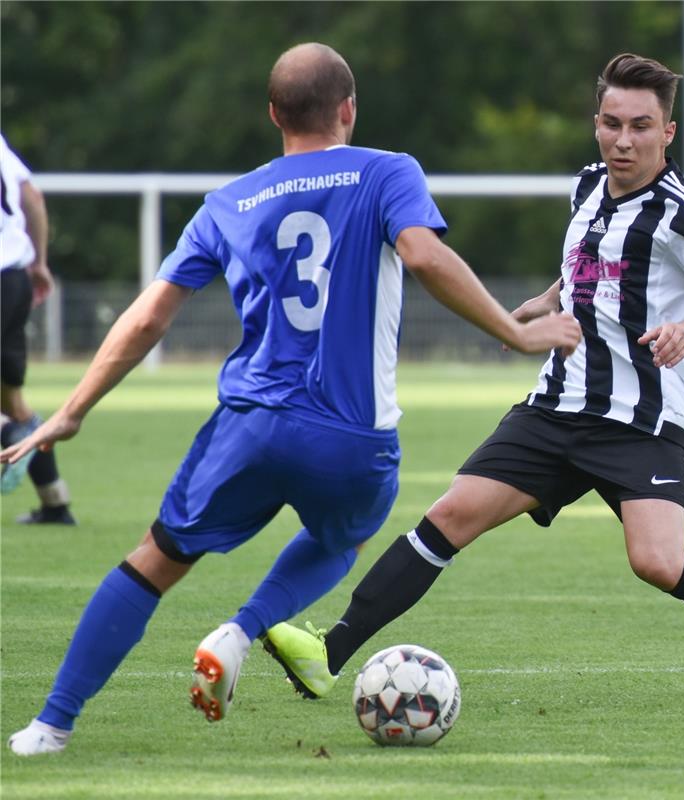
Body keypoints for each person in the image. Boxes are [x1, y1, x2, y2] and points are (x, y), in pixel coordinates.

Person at [2, 42, 581, 756]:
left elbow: (149, 316)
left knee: (155, 558)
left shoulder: (230, 200)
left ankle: (48, 725)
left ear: (273, 114)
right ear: (349, 109)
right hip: (349, 435)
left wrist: (73, 409)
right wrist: (517, 334)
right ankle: (242, 629)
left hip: (248, 424)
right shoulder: (386, 171)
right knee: (346, 535)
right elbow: (425, 256)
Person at [262, 53, 684, 709]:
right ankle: (327, 654)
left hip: (643, 418)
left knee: (656, 563)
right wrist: (543, 301)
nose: (623, 139)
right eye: (611, 123)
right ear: (595, 124)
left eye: (640, 126)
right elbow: (588, 268)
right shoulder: (587, 186)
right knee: (448, 517)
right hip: (557, 405)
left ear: (666, 133)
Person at [0, 133, 77, 524]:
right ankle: (55, 503)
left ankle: (9, 435)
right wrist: (39, 261)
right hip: (13, 278)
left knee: (8, 412)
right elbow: (32, 196)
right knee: (10, 399)